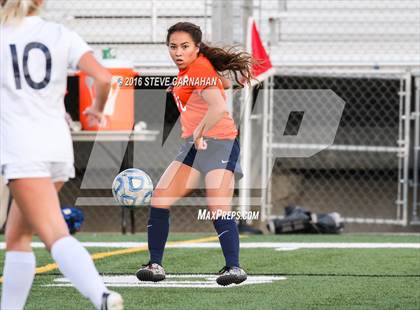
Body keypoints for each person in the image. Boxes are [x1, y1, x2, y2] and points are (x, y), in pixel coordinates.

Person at [0, 1, 123, 309]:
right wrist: (97, 107)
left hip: (23, 147)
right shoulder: (60, 33)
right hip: (57, 144)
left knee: (54, 233)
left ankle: (101, 295)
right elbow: (106, 78)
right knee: (16, 237)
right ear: (39, 2)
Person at [136, 22, 255, 286]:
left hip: (220, 143)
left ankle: (234, 268)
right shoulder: (191, 70)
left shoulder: (198, 67)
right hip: (193, 146)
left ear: (196, 47)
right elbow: (218, 85)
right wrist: (231, 84)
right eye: (173, 46)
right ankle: (155, 265)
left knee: (218, 207)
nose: (178, 52)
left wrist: (200, 131)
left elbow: (217, 108)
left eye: (184, 46)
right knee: (160, 198)